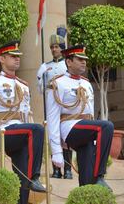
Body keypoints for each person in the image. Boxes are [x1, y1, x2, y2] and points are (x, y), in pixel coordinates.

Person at [0, 41, 46, 204]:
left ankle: (24, 193)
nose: (17, 59)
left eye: (18, 56)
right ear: (2, 58)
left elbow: (27, 115)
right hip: (2, 131)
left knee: (21, 175)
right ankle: (35, 177)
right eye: (12, 56)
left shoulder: (23, 85)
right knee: (37, 129)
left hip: (21, 134)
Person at [46, 45, 114, 190]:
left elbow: (89, 114)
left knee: (87, 176)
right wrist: (57, 151)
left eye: (85, 59)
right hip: (69, 127)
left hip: (86, 130)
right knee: (106, 126)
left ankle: (88, 187)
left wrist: (96, 140)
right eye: (79, 59)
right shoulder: (57, 83)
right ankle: (100, 175)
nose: (83, 62)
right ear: (68, 62)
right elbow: (52, 118)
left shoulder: (86, 83)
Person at [36, 26, 73, 179]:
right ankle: (57, 169)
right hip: (52, 105)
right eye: (51, 47)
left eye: (56, 47)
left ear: (62, 48)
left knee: (66, 137)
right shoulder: (45, 66)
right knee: (53, 136)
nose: (53, 49)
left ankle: (68, 169)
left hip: (66, 105)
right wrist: (42, 77)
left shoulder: (67, 64)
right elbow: (40, 88)